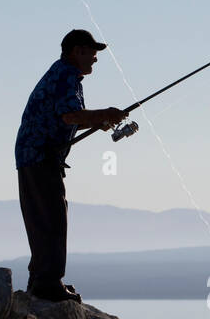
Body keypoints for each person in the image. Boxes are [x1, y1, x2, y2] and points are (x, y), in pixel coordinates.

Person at [15, 29, 127, 302]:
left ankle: (41, 280)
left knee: (45, 218)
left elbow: (68, 117)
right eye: (92, 52)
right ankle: (48, 284)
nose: (95, 59)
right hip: (40, 157)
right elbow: (70, 115)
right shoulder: (65, 75)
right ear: (77, 51)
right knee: (52, 218)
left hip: (35, 156)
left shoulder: (63, 74)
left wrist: (98, 122)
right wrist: (105, 114)